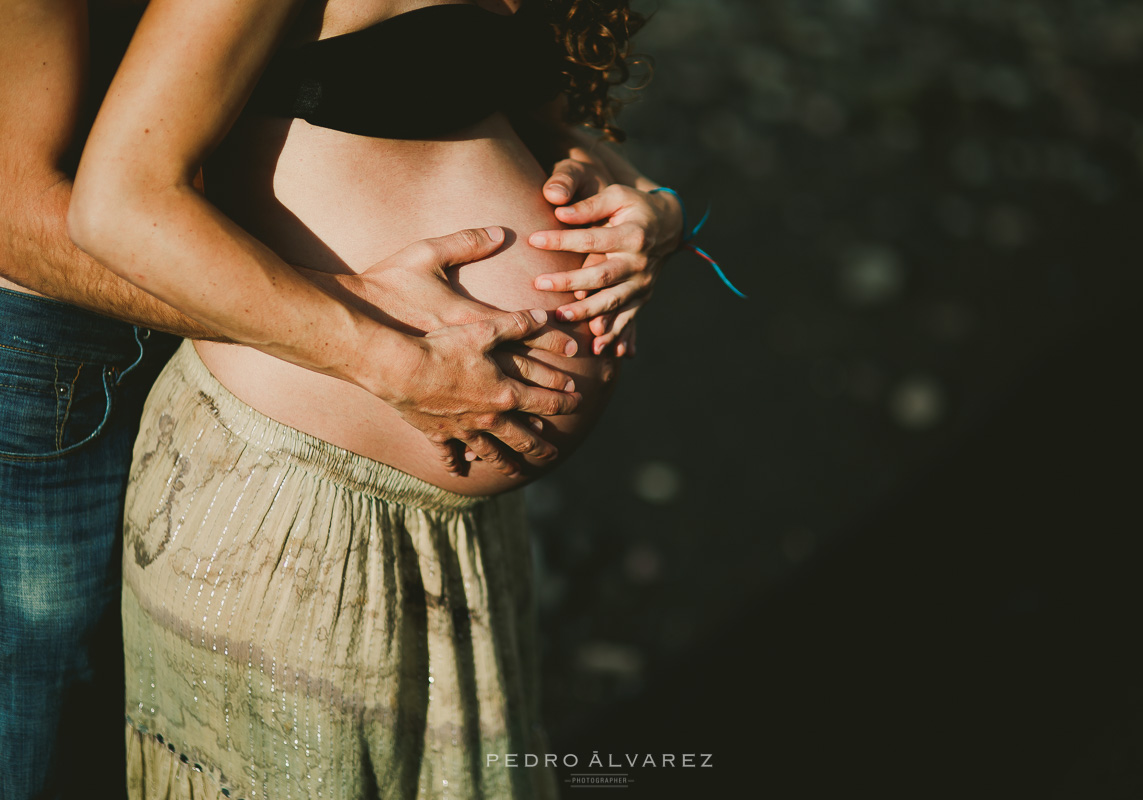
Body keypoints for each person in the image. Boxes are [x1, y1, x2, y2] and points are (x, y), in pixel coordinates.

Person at [0, 2, 672, 799]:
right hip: (77, 363)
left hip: (425, 478)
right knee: (42, 722)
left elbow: (501, 105)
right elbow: (42, 206)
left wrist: (646, 205)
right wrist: (379, 351)